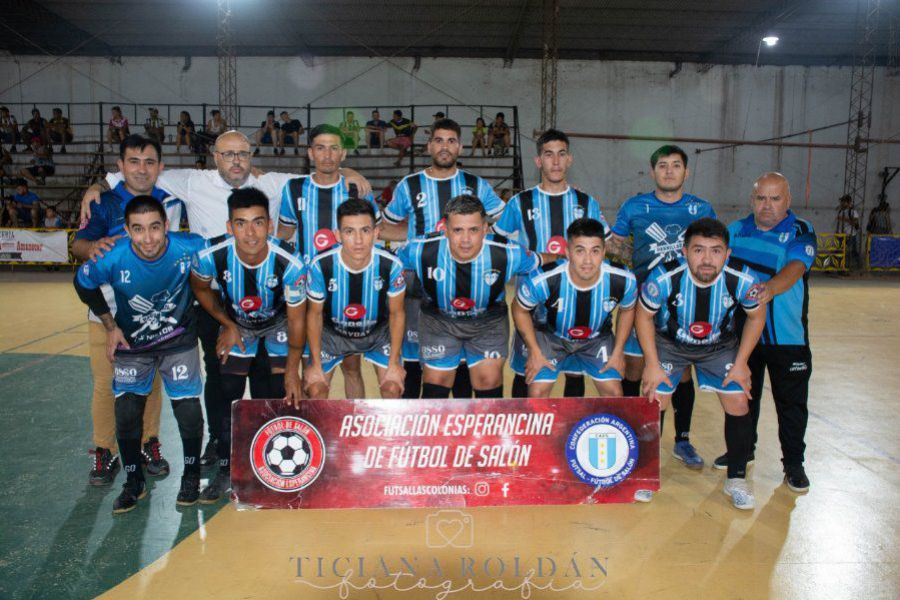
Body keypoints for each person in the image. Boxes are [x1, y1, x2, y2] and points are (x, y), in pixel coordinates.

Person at [81, 130, 373, 466]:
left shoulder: (274, 183)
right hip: (214, 300)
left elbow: (322, 171)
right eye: (228, 154)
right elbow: (135, 174)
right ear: (215, 158)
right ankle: (219, 443)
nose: (236, 161)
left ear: (252, 156)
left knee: (269, 374)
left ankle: (271, 438)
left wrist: (352, 173)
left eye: (242, 154)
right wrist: (98, 187)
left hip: (267, 298)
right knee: (218, 374)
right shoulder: (193, 181)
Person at [73, 196, 207, 513]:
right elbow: (83, 284)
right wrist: (109, 326)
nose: (148, 238)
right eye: (138, 229)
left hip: (179, 341)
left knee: (188, 411)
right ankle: (134, 481)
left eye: (155, 228)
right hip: (133, 345)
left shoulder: (191, 247)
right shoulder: (113, 256)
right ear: (127, 231)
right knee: (127, 413)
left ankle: (192, 475)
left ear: (166, 227)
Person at [72, 135, 183, 486]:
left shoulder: (172, 202)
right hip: (106, 314)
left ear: (160, 167)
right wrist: (94, 245)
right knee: (107, 385)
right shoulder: (103, 203)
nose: (141, 169)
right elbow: (77, 244)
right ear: (120, 167)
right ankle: (105, 451)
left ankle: (150, 443)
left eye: (149, 162)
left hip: (153, 315)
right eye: (133, 161)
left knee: (150, 386)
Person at [636, 218, 766, 510]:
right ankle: (645, 477)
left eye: (716, 250)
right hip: (671, 345)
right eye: (698, 250)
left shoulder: (743, 279)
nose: (707, 259)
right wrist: (652, 364)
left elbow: (757, 316)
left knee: (739, 403)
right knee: (654, 399)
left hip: (719, 347)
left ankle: (736, 479)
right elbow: (643, 316)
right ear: (684, 251)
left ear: (727, 254)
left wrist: (742, 362)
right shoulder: (663, 278)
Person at [191, 188, 307, 503]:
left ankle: (275, 464)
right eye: (241, 223)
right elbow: (200, 288)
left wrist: (294, 370)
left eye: (257, 222)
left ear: (270, 224)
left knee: (276, 393)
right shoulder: (209, 256)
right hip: (238, 324)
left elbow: (298, 321)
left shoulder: (291, 263)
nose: (250, 232)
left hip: (280, 324)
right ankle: (227, 468)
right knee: (226, 387)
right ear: (229, 227)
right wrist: (227, 324)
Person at [381, 118, 509, 399]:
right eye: (439, 140)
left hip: (467, 277)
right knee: (415, 358)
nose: (444, 146)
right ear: (429, 145)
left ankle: (459, 430)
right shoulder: (409, 185)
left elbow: (504, 222)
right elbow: (388, 226)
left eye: (451, 141)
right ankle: (416, 427)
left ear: (460, 147)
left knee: (463, 360)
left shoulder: (476, 185)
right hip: (418, 281)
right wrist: (416, 241)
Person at [608, 144, 716, 469]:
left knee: (680, 374)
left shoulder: (701, 209)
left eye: (676, 165)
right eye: (663, 166)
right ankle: (629, 437)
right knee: (633, 368)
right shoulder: (634, 206)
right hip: (642, 304)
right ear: (653, 171)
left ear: (686, 171)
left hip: (683, 310)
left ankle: (681, 440)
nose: (669, 171)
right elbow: (616, 247)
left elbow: (714, 253)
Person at [713, 173, 817, 493]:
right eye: (761, 198)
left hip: (786, 338)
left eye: (775, 199)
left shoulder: (800, 230)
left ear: (788, 200)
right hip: (744, 336)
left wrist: (768, 289)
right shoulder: (735, 231)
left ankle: (794, 464)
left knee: (791, 403)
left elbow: (796, 268)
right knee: (744, 397)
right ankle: (742, 452)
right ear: (752, 200)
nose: (767, 206)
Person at [494, 128, 608, 399]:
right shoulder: (519, 202)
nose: (555, 162)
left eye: (561, 155)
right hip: (531, 304)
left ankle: (569, 433)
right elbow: (499, 246)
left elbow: (603, 245)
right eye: (548, 155)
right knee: (527, 371)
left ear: (569, 160)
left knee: (575, 372)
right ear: (538, 161)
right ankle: (522, 432)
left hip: (576, 300)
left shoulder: (586, 202)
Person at [398, 195, 548, 399]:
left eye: (474, 230)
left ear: (485, 229)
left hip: (488, 323)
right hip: (438, 321)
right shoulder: (420, 249)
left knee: (488, 381)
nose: (466, 239)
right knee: (436, 387)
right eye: (458, 230)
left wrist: (571, 257)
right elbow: (385, 264)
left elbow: (544, 260)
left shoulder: (508, 253)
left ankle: (487, 431)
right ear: (445, 229)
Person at [277, 124, 381, 399]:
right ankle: (316, 430)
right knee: (313, 370)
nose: (327, 155)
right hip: (306, 291)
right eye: (320, 148)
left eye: (334, 148)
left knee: (352, 367)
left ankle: (355, 430)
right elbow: (284, 234)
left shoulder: (357, 190)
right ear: (310, 153)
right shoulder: (294, 189)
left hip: (345, 289)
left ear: (343, 153)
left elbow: (372, 235)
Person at [513, 218, 636, 397]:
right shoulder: (543, 279)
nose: (588, 260)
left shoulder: (624, 279)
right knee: (537, 393)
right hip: (551, 337)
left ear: (603, 252)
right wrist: (534, 350)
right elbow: (519, 309)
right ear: (568, 253)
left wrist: (618, 352)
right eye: (580, 251)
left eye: (595, 251)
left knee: (614, 393)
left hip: (597, 339)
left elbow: (628, 309)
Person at [304, 198, 406, 400]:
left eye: (365, 231)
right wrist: (315, 364)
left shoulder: (391, 265)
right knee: (315, 389)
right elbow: (314, 315)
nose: (358, 240)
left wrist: (394, 363)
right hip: (332, 334)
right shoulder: (320, 266)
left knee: (392, 387)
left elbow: (397, 314)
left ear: (376, 233)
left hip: (378, 333)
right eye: (350, 231)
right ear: (338, 235)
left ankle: (382, 432)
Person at [836, 194, 860, 267]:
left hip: (850, 235)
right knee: (838, 251)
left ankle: (857, 266)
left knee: (851, 252)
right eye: (842, 201)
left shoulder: (852, 211)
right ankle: (839, 266)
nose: (842, 203)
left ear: (849, 202)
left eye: (844, 201)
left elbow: (855, 222)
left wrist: (844, 219)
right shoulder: (841, 211)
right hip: (841, 235)